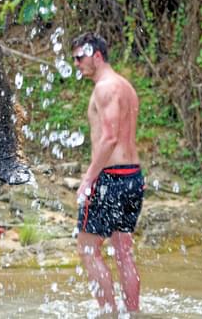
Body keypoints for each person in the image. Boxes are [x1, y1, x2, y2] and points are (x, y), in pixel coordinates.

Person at [71, 32, 144, 314]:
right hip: (132, 176)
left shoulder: (105, 88)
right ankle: (133, 313)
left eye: (80, 57)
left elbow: (110, 137)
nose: (77, 64)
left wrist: (89, 177)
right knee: (123, 252)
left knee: (87, 248)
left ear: (96, 55)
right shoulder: (126, 86)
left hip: (110, 178)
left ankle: (108, 313)